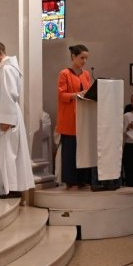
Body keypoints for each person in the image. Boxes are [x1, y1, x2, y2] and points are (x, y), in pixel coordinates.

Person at [0, 41, 34, 199]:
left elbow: (9, 95)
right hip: (12, 114)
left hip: (9, 117)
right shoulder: (9, 68)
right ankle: (11, 187)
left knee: (8, 154)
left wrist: (6, 121)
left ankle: (11, 189)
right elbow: (5, 93)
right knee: (11, 153)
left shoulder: (7, 69)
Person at [57, 44, 93, 189]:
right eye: (82, 57)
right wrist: (76, 95)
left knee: (83, 150)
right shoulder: (64, 73)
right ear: (73, 57)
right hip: (69, 119)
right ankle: (70, 180)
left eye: (86, 58)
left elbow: (88, 91)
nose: (84, 61)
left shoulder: (86, 74)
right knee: (70, 151)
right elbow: (61, 95)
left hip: (83, 117)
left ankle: (82, 179)